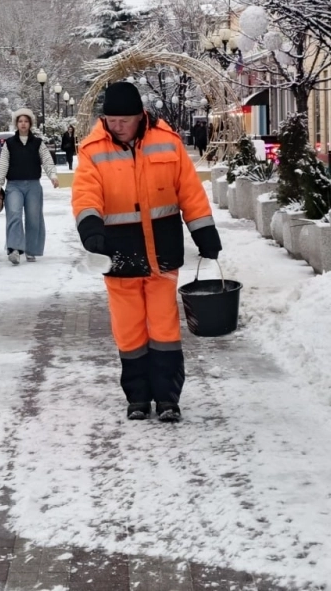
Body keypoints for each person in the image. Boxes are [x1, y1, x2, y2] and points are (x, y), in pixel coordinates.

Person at [71, 82, 222, 423]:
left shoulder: (167, 142)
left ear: (140, 116)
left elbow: (189, 191)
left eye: (124, 120)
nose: (117, 126)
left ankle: (168, 398)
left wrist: (204, 232)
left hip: (162, 251)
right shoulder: (92, 149)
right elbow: (86, 193)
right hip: (118, 252)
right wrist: (91, 229)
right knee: (129, 330)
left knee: (164, 328)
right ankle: (137, 397)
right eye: (111, 120)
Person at [0, 108, 59, 264]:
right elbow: (3, 164)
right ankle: (14, 250)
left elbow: (47, 160)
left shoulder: (37, 143)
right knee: (14, 215)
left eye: (26, 121)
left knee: (34, 218)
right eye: (20, 121)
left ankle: (31, 250)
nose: (23, 124)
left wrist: (53, 176)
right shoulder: (9, 144)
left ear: (30, 124)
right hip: (14, 185)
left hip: (33, 185)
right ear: (16, 124)